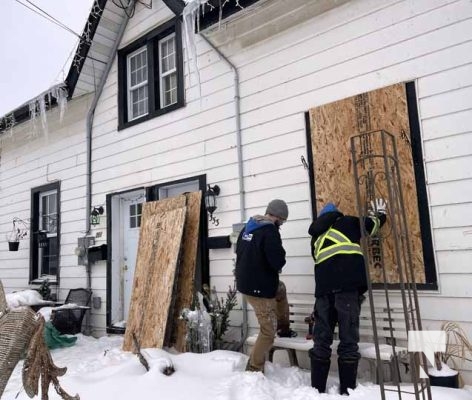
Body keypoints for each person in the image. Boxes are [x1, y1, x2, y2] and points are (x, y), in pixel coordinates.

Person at [308, 199, 387, 395]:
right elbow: (371, 226)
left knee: (322, 340)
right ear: (337, 214)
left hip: (323, 294)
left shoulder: (316, 238)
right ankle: (347, 391)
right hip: (346, 291)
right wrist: (380, 214)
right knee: (348, 339)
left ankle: (316, 390)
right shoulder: (347, 223)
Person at [235, 199, 294, 373]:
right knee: (268, 331)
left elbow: (240, 252)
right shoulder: (270, 231)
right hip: (259, 288)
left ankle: (284, 328)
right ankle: (254, 368)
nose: (281, 224)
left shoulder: (247, 228)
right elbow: (277, 261)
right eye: (282, 221)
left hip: (247, 283)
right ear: (277, 217)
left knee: (280, 289)